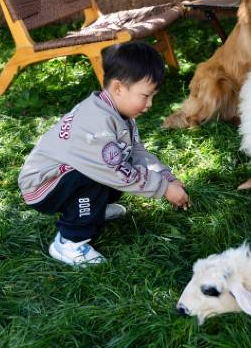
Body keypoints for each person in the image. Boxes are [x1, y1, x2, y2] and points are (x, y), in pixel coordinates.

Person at [18, 41, 190, 267]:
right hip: (43, 185)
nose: (150, 104)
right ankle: (70, 240)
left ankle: (92, 210)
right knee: (99, 172)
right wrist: (163, 189)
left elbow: (136, 152)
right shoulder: (96, 127)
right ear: (118, 88)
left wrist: (167, 177)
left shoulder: (118, 114)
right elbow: (119, 173)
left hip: (65, 176)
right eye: (145, 96)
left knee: (115, 161)